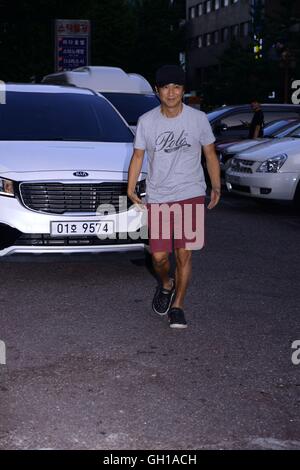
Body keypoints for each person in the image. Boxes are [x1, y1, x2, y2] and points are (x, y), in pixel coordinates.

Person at [127, 65, 221, 329]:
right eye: (166, 87)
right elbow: (137, 157)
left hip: (190, 192)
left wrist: (216, 186)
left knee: (184, 254)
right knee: (158, 257)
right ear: (157, 91)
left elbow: (210, 154)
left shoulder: (198, 119)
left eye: (177, 87)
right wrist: (130, 187)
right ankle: (166, 284)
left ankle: (178, 306)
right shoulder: (147, 121)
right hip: (158, 195)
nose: (171, 92)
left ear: (183, 90)